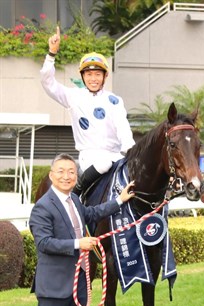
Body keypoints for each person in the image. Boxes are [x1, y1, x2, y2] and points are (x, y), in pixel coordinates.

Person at [29, 153, 135, 306]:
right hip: (53, 285)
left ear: (76, 176)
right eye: (61, 172)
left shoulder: (75, 201)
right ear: (51, 175)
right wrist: (79, 244)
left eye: (71, 172)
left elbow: (93, 213)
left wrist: (119, 201)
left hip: (78, 281)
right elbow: (44, 243)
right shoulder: (42, 207)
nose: (66, 176)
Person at [40, 26, 135, 194]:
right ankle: (76, 196)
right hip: (90, 157)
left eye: (98, 74)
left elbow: (123, 127)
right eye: (89, 74)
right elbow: (48, 83)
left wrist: (131, 151)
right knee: (104, 164)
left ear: (105, 76)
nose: (93, 79)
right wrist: (51, 54)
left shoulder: (115, 101)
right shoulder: (73, 96)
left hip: (116, 156)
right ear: (82, 76)